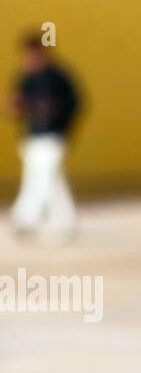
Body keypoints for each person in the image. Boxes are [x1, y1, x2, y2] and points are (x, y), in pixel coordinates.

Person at [9, 31, 80, 242]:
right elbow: (15, 108)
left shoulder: (58, 77)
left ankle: (25, 218)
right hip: (33, 137)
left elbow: (75, 104)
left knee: (43, 177)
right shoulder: (26, 78)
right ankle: (67, 221)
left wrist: (60, 121)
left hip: (54, 136)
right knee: (51, 180)